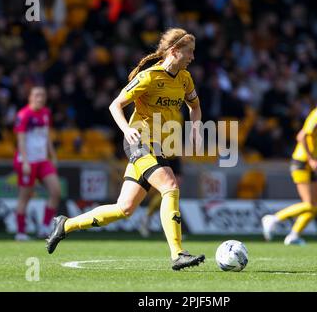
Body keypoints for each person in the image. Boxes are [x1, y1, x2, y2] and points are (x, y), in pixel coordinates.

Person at [46, 28, 205, 270]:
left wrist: (195, 128)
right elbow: (115, 105)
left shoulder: (185, 78)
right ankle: (178, 253)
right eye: (189, 52)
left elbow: (195, 106)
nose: (193, 57)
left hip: (160, 145)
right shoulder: (149, 77)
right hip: (139, 141)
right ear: (174, 51)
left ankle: (64, 225)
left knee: (125, 208)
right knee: (170, 186)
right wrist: (126, 129)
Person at [261, 87, 317, 245]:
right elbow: (301, 136)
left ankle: (293, 236)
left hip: (308, 164)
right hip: (302, 162)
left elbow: (316, 143)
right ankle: (273, 219)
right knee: (309, 204)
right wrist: (311, 159)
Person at [13, 86, 61, 241]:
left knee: (56, 191)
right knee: (25, 197)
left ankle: (44, 227)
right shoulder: (24, 115)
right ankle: (20, 233)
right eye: (37, 95)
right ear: (30, 97)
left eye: (42, 95)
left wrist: (52, 155)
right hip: (27, 161)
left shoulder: (46, 113)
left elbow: (46, 136)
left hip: (42, 160)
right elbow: (20, 140)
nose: (40, 97)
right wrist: (26, 162)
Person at [138, 156, 182, 238]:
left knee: (174, 190)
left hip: (174, 156)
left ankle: (147, 217)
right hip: (162, 156)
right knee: (167, 191)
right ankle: (147, 217)